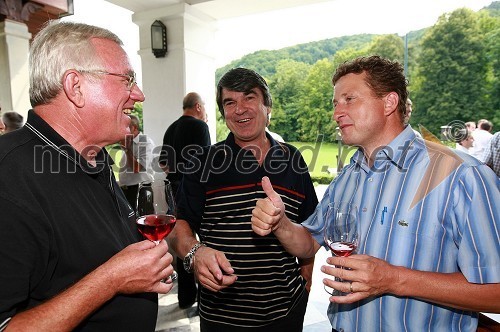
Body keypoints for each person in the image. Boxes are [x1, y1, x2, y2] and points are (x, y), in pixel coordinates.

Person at [252, 56, 500, 331]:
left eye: (349, 99)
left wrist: (394, 279)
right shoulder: (348, 176)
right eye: (335, 103)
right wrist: (281, 223)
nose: (337, 113)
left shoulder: (461, 176)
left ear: (389, 103)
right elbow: (309, 242)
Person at [0, 21, 175, 331]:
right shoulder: (8, 175)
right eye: (127, 79)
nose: (139, 94)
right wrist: (113, 279)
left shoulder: (95, 157)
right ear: (75, 86)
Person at [167, 68, 318, 331]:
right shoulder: (202, 162)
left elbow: (311, 224)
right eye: (230, 102)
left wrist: (308, 266)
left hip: (287, 310)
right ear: (223, 113)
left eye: (249, 98)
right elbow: (179, 227)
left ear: (267, 106)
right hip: (223, 316)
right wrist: (195, 252)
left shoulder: (293, 159)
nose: (240, 109)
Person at [159, 92, 211, 309]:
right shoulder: (200, 127)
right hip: (195, 190)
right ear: (198, 107)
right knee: (204, 241)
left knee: (182, 239)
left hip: (173, 188)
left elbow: (163, 163)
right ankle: (207, 297)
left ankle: (186, 297)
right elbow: (208, 163)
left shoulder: (171, 128)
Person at [118, 114, 156, 210]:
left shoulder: (145, 142)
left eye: (125, 127)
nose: (122, 130)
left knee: (144, 222)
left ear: (134, 128)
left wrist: (127, 150)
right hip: (127, 191)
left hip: (140, 190)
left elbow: (137, 168)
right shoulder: (128, 142)